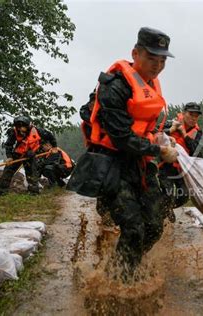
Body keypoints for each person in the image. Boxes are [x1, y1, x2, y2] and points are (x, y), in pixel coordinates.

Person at [68, 27, 178, 276]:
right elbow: (121, 138)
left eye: (162, 61)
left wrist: (160, 140)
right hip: (111, 164)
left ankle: (126, 264)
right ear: (135, 53)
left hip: (139, 163)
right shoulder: (114, 87)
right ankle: (119, 282)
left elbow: (144, 129)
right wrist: (159, 151)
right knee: (133, 226)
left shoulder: (150, 85)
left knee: (154, 226)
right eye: (151, 58)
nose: (157, 65)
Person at [159, 102, 203, 219]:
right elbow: (155, 134)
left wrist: (184, 134)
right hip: (166, 165)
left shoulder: (198, 133)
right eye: (191, 114)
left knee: (184, 195)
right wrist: (171, 129)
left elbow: (197, 151)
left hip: (183, 168)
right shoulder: (171, 122)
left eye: (196, 116)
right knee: (168, 193)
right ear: (184, 113)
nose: (193, 118)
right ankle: (161, 212)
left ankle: (167, 208)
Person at [0, 116, 57, 196]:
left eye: (22, 127)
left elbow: (50, 136)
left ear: (27, 126)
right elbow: (9, 145)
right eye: (18, 127)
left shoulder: (38, 131)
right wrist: (9, 156)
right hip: (18, 154)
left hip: (30, 155)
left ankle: (33, 192)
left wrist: (54, 147)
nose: (20, 129)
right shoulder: (14, 132)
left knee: (31, 173)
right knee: (8, 171)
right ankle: (1, 192)